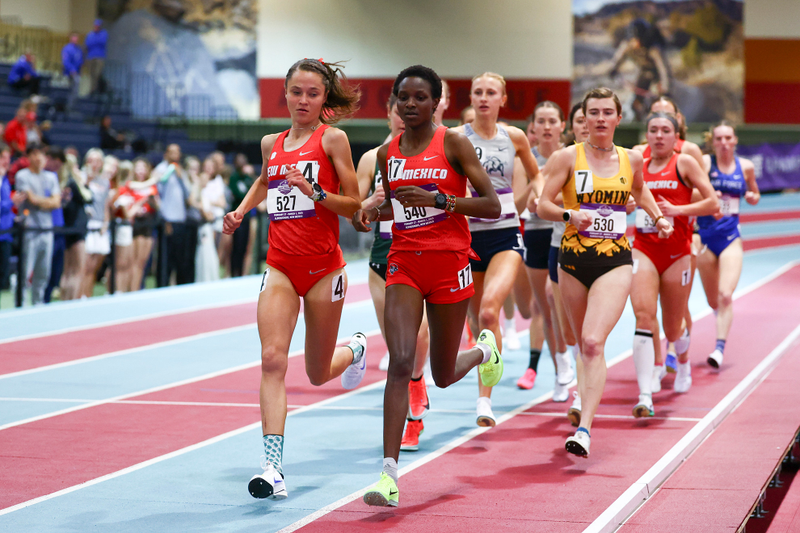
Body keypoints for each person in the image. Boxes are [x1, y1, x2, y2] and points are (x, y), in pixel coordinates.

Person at [353, 65, 501, 507]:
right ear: (395, 102)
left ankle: (484, 352)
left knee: (441, 373)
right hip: (403, 262)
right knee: (400, 361)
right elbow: (396, 211)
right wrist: (368, 214)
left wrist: (442, 199)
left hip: (451, 262)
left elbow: (491, 205)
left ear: (436, 102)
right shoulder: (387, 153)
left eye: (420, 98)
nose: (411, 105)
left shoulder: (453, 142)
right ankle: (388, 475)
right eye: (404, 98)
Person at [222, 58, 365, 502]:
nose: (303, 101)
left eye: (313, 94)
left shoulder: (334, 139)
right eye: (296, 92)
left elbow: (356, 207)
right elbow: (267, 181)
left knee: (318, 372)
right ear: (284, 94)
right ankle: (272, 466)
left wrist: (314, 192)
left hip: (325, 269)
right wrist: (242, 210)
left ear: (325, 100)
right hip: (280, 265)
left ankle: (355, 348)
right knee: (271, 360)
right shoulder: (271, 142)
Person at [537, 88, 673, 457]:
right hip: (572, 260)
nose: (599, 118)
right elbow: (543, 205)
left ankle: (584, 430)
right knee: (582, 343)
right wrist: (570, 215)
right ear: (583, 118)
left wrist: (659, 217)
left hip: (615, 260)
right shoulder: (568, 157)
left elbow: (641, 192)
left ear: (617, 118)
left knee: (594, 342)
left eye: (606, 112)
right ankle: (583, 395)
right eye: (592, 112)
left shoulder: (632, 159)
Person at [451, 72, 540, 426]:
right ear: (470, 99)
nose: (484, 98)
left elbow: (538, 174)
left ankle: (483, 401)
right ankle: (486, 374)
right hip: (467, 237)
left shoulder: (513, 137)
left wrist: (527, 201)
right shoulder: (456, 137)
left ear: (503, 99)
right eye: (478, 92)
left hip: (505, 234)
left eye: (491, 93)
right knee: (475, 321)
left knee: (490, 312)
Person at [630, 112, 718, 416]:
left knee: (672, 325)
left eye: (665, 130)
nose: (658, 135)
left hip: (677, 252)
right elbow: (628, 198)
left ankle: (682, 363)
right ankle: (645, 389)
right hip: (643, 247)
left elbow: (713, 203)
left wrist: (677, 209)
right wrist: (631, 203)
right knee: (643, 315)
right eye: (653, 130)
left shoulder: (684, 162)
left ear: (675, 134)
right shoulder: (636, 162)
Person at [355, 93, 430, 451]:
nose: (403, 116)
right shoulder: (373, 158)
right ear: (388, 116)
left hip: (424, 254)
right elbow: (354, 212)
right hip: (383, 257)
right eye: (397, 110)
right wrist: (372, 203)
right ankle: (414, 384)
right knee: (398, 347)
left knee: (417, 338)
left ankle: (414, 415)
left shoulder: (431, 154)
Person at [517, 101, 574, 398]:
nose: (548, 126)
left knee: (562, 305)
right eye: (542, 121)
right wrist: (533, 185)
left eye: (553, 120)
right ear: (534, 128)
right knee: (544, 310)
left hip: (568, 235)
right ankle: (560, 372)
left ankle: (570, 363)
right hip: (537, 236)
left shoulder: (572, 155)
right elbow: (515, 205)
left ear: (562, 125)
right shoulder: (524, 160)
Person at [696, 121, 759, 368]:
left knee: (725, 295)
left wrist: (753, 196)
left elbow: (753, 193)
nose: (723, 143)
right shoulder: (703, 163)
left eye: (727, 138)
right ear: (712, 141)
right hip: (704, 237)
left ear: (735, 141)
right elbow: (690, 191)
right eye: (718, 138)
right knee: (713, 301)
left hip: (731, 237)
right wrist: (710, 197)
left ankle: (719, 349)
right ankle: (719, 316)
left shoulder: (746, 167)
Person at [15, 144, 61, 305]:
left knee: (43, 273)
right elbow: (31, 199)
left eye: (41, 154)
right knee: (26, 272)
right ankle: (20, 305)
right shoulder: (23, 176)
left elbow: (56, 202)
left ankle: (37, 305)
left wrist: (41, 202)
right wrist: (46, 201)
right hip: (30, 230)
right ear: (28, 157)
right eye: (34, 154)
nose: (38, 157)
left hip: (47, 230)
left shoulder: (51, 177)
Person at [155, 144, 195, 285]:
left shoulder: (180, 171)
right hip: (168, 220)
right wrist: (164, 218)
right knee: (165, 259)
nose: (175, 155)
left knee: (179, 259)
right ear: (166, 153)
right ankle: (162, 286)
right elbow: (157, 195)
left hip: (180, 219)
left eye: (177, 152)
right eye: (172, 152)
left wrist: (181, 177)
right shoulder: (161, 170)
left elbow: (187, 195)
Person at [82, 153, 115, 297]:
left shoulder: (105, 182)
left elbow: (105, 206)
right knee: (85, 266)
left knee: (95, 268)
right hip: (87, 226)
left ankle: (88, 295)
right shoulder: (81, 177)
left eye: (98, 161)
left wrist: (106, 223)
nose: (94, 163)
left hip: (101, 225)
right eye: (91, 160)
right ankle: (80, 295)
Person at [59, 153, 92, 300]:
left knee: (67, 270)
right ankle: (70, 301)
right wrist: (83, 181)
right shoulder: (73, 183)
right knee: (77, 270)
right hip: (77, 229)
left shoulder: (63, 182)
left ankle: (65, 299)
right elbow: (88, 197)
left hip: (68, 228)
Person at [228, 153, 255, 277]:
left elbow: (255, 190)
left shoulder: (247, 177)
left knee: (244, 246)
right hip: (236, 218)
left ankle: (242, 272)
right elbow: (240, 195)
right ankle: (234, 272)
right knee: (236, 246)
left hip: (247, 217)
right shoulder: (233, 178)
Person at [0, 144, 22, 292]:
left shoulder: (5, 179)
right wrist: (12, 202)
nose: (7, 161)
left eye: (8, 158)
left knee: (3, 279)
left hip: (5, 235)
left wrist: (15, 217)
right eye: (3, 157)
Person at [62, 33, 83, 114]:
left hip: (77, 73)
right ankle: (67, 108)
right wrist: (72, 70)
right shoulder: (67, 48)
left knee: (75, 91)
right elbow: (66, 61)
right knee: (71, 90)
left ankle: (72, 107)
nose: (75, 39)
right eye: (74, 37)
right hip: (69, 73)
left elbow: (80, 61)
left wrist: (78, 71)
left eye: (76, 37)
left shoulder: (78, 49)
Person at [85, 20, 108, 95]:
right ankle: (92, 89)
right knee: (92, 74)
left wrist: (95, 41)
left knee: (97, 73)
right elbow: (88, 44)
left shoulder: (104, 33)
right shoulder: (90, 34)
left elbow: (102, 42)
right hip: (91, 57)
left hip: (100, 57)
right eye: (95, 26)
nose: (96, 27)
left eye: (98, 26)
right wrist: (96, 41)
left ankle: (96, 90)